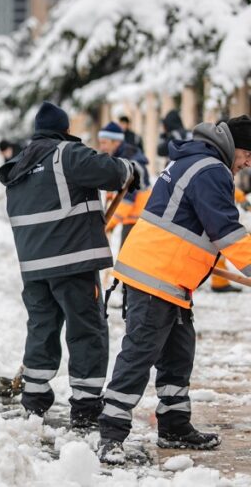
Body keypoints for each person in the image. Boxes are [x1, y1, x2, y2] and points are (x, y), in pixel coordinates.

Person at [97, 116, 251, 464]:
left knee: (178, 356)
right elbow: (226, 231)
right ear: (232, 146)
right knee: (139, 355)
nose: (246, 163)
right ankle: (110, 434)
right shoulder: (211, 169)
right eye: (246, 154)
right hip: (157, 276)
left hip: (172, 278)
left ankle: (174, 425)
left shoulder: (194, 160)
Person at [0, 101, 139, 429]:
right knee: (86, 330)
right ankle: (86, 406)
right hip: (73, 262)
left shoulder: (18, 166)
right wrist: (132, 171)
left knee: (42, 328)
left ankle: (34, 399)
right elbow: (113, 172)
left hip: (34, 266)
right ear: (65, 130)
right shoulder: (66, 154)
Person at [97, 122, 151, 245]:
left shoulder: (131, 164)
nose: (101, 147)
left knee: (127, 261)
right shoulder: (118, 160)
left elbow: (128, 198)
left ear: (116, 142)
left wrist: (107, 225)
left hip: (138, 221)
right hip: (131, 219)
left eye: (104, 143)